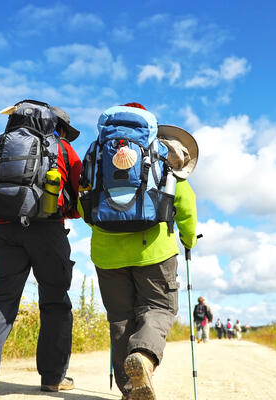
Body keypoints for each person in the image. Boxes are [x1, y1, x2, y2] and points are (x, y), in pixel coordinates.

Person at [0, 102, 82, 400]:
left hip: (3, 229)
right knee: (55, 300)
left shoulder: (4, 145)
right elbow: (79, 196)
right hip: (47, 230)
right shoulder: (63, 149)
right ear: (59, 127)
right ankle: (54, 379)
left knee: (1, 298)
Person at [81, 103, 198, 400]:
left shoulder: (97, 155)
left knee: (120, 318)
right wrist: (188, 239)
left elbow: (85, 202)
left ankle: (129, 390)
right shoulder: (162, 157)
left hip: (107, 253)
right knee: (159, 307)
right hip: (155, 251)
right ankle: (144, 356)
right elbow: (184, 204)